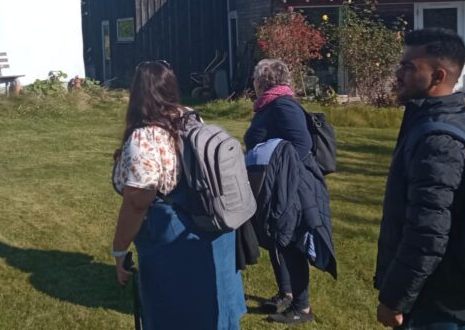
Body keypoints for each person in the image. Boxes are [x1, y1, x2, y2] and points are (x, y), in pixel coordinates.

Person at [374, 29, 465, 329]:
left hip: (438, 302)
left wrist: (395, 298)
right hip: (459, 295)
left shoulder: (438, 140)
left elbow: (427, 231)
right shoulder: (461, 119)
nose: (398, 74)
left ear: (438, 76)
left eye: (408, 67)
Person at [110, 60, 246, 330]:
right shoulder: (191, 117)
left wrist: (119, 248)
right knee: (214, 308)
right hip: (210, 224)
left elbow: (137, 201)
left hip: (173, 236)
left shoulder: (144, 137)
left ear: (137, 93)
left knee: (177, 314)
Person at [244, 59, 336, 325]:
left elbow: (301, 144)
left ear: (263, 81)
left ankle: (302, 307)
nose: (253, 83)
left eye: (254, 78)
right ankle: (286, 294)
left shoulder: (283, 105)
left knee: (291, 241)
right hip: (274, 185)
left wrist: (278, 172)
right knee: (276, 239)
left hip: (290, 186)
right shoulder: (269, 105)